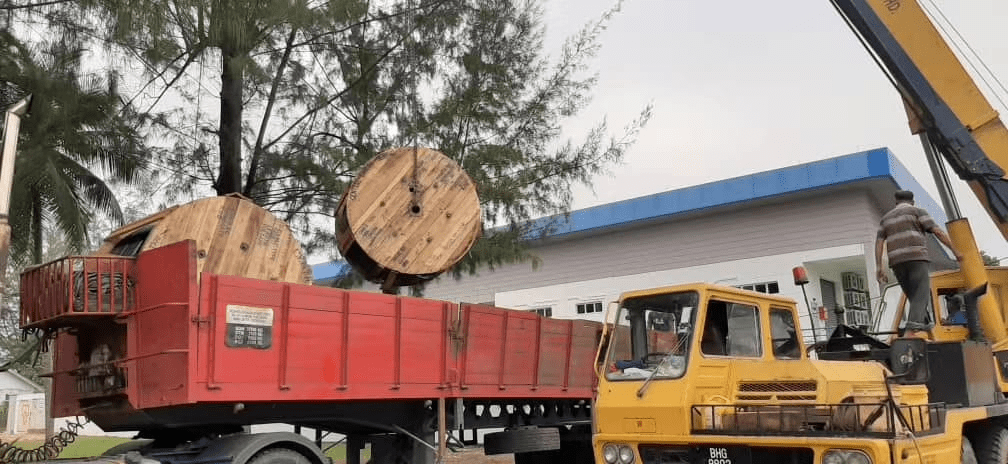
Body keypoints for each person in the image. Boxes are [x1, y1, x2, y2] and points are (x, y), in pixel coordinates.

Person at [875, 190, 961, 332]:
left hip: (896, 262)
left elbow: (879, 243)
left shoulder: (885, 219)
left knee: (913, 296)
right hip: (916, 257)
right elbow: (938, 232)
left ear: (896, 202)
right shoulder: (917, 212)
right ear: (912, 202)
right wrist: (956, 251)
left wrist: (879, 267)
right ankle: (913, 329)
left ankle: (925, 325)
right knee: (921, 294)